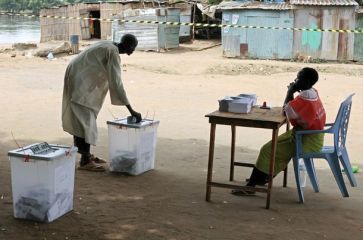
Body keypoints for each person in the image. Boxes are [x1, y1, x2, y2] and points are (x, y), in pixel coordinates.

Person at [232, 67, 326, 195]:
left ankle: (251, 186)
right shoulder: (312, 92)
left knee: (267, 149)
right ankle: (262, 177)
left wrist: (290, 91)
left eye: (298, 78)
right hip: (310, 135)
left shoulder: (304, 98)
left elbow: (286, 110)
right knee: (275, 145)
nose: (295, 80)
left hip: (305, 141)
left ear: (307, 81)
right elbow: (293, 109)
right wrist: (294, 92)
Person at [62, 34, 142, 172]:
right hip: (80, 81)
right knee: (86, 122)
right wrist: (131, 110)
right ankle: (85, 161)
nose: (133, 50)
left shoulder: (108, 44)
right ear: (128, 46)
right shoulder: (113, 52)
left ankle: (86, 155)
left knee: (82, 119)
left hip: (77, 75)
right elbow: (116, 83)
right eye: (133, 47)